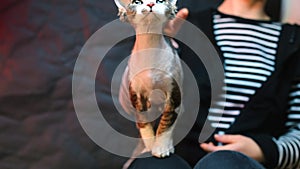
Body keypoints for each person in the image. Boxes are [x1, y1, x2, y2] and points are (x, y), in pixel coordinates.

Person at [121, 0, 300, 168]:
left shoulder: (293, 41)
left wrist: (265, 151)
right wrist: (150, 40)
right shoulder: (182, 24)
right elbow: (131, 107)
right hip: (178, 157)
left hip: (242, 164)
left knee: (223, 164)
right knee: (155, 164)